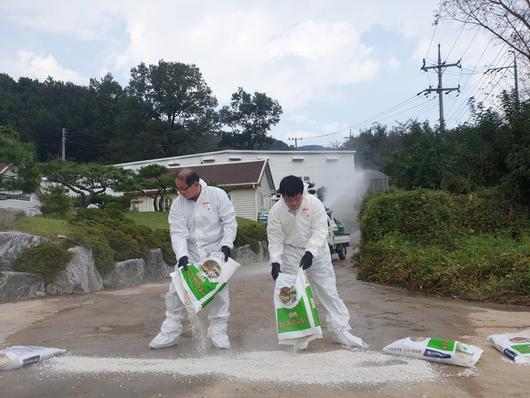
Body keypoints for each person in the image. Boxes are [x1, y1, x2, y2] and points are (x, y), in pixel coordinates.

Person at [267, 175, 366, 349]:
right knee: (293, 293)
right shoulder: (276, 211)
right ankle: (300, 335)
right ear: (283, 197)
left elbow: (320, 230)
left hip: (317, 250)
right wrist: (275, 261)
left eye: (297, 198)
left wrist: (310, 252)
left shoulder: (314, 204)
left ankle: (340, 330)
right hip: (291, 252)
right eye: (289, 199)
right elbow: (275, 238)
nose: (294, 203)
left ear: (301, 194)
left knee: (328, 290)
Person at [149, 168, 237, 349]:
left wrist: (226, 245)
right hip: (190, 252)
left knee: (219, 293)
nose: (180, 193)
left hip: (215, 252)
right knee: (176, 292)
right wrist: (182, 255)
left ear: (196, 184)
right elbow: (178, 232)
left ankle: (218, 332)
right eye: (178, 189)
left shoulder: (217, 195)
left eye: (183, 189)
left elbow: (229, 221)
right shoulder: (178, 204)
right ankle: (170, 331)